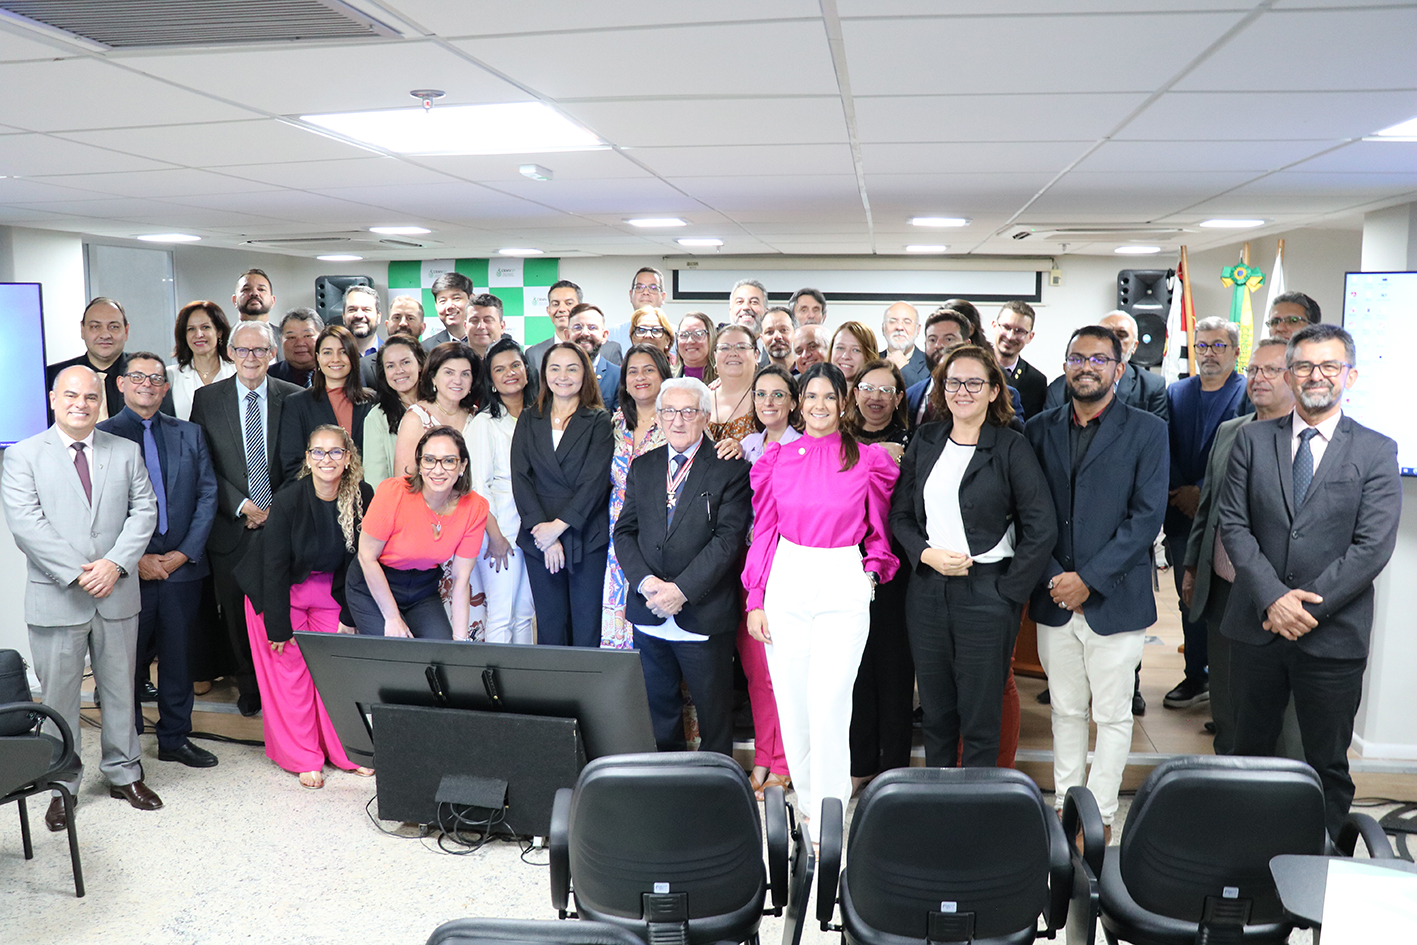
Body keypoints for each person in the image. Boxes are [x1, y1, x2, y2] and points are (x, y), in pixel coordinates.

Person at [1218, 323, 1401, 840]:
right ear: (1289, 374)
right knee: (1246, 753)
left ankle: (1317, 874)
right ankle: (1242, 855)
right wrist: (1274, 598)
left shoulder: (1375, 450)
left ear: (1350, 375)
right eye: (1303, 366)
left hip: (1333, 635)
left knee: (1326, 762)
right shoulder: (1251, 439)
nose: (1315, 376)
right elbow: (1233, 524)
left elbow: (1372, 548)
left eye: (1328, 366)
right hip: (1256, 625)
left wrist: (1304, 610)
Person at [744, 362, 900, 840]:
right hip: (788, 577)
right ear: (797, 402)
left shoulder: (869, 458)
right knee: (793, 703)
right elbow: (765, 531)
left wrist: (871, 573)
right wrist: (756, 597)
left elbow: (880, 528)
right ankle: (808, 805)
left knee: (830, 702)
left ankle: (830, 814)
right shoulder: (775, 460)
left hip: (841, 578)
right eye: (809, 396)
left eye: (828, 397)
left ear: (843, 401)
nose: (818, 405)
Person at [1024, 325, 1168, 842]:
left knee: (1110, 716)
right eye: (1077, 358)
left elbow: (1146, 518)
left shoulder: (1148, 431)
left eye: (1099, 359)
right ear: (1065, 366)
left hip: (1115, 599)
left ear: (1119, 369)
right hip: (1054, 595)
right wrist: (1055, 580)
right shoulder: (1038, 429)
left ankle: (1100, 815)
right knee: (1064, 710)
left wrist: (1089, 580)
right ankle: (1066, 809)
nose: (1087, 366)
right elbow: (1028, 515)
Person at [2, 366, 161, 830]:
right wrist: (79, 573)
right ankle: (61, 784)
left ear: (101, 402)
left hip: (117, 591)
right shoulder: (24, 455)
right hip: (57, 596)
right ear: (53, 399)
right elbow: (27, 526)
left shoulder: (125, 451)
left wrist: (114, 565)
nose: (81, 404)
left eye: (91, 397)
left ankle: (124, 773)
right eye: (71, 395)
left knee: (119, 690)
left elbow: (144, 510)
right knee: (59, 698)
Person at [891, 345, 1056, 768]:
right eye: (953, 382)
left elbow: (1041, 528)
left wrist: (1008, 594)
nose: (962, 391)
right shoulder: (926, 440)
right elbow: (901, 515)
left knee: (981, 718)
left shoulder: (1010, 446)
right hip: (927, 593)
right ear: (942, 389)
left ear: (993, 390)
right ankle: (939, 808)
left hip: (988, 595)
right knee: (936, 714)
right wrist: (925, 555)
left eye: (974, 383)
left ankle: (979, 816)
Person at [613, 377, 753, 754]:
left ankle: (716, 792)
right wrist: (646, 584)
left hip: (703, 613)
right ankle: (665, 787)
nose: (678, 420)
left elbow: (728, 541)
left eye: (688, 411)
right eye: (669, 411)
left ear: (705, 416)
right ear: (657, 416)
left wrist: (681, 591)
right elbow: (624, 532)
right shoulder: (643, 466)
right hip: (649, 611)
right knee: (658, 714)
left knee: (714, 718)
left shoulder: (730, 468)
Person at [234, 425, 375, 788]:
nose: (326, 459)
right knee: (291, 673)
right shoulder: (289, 498)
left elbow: (359, 561)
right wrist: (277, 627)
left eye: (334, 452)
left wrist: (348, 614)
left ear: (348, 458)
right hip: (278, 592)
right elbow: (274, 565)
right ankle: (303, 756)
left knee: (334, 672)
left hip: (330, 589)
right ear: (308, 459)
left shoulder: (363, 495)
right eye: (318, 452)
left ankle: (346, 751)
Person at [99, 353, 220, 769]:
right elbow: (99, 511)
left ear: (165, 388)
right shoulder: (102, 435)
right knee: (124, 666)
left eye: (156, 378)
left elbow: (207, 496)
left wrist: (183, 553)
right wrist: (138, 559)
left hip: (182, 569)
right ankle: (124, 747)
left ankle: (174, 738)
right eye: (137, 377)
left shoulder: (190, 434)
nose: (147, 384)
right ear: (121, 384)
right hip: (127, 573)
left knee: (178, 659)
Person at [1182, 338, 1296, 755]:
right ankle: (1227, 794)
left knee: (1273, 713)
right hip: (1223, 588)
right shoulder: (1231, 431)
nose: (1258, 378)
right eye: (1253, 370)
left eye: (1271, 370)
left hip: (1275, 592)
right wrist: (1193, 567)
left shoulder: (1304, 442)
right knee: (1226, 703)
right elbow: (1208, 508)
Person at [190, 320, 302, 717]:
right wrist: (242, 505)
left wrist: (276, 508)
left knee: (282, 608)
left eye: (259, 351)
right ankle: (249, 684)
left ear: (273, 354)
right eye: (243, 350)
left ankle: (285, 687)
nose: (251, 358)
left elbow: (300, 465)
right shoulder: (207, 399)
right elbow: (202, 465)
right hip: (232, 526)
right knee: (236, 614)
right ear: (231, 353)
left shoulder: (295, 397)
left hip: (282, 523)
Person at [1162, 316, 1247, 711]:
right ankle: (1195, 674)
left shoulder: (1247, 392)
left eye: (1218, 346)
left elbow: (1244, 454)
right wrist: (1184, 491)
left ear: (1234, 351)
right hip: (1182, 512)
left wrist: (1202, 492)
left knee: (1225, 601)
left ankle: (1227, 687)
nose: (1209, 353)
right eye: (1201, 346)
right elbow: (1165, 446)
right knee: (1188, 596)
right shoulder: (1176, 392)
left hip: (1228, 518)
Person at [511, 343, 615, 647]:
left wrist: (558, 527)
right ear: (544, 374)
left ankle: (587, 696)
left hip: (585, 536)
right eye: (555, 368)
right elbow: (521, 478)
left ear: (586, 374)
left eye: (573, 368)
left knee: (586, 627)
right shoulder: (530, 418)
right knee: (550, 626)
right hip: (538, 537)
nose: (563, 376)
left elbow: (594, 484)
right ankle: (551, 694)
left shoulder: (598, 420)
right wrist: (544, 535)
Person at [347, 426, 488, 640]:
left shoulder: (475, 507)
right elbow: (367, 557)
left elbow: (461, 579)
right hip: (373, 582)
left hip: (423, 589)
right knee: (395, 652)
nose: (438, 470)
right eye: (429, 460)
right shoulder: (392, 492)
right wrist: (393, 618)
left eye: (449, 461)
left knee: (440, 655)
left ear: (462, 466)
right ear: (419, 465)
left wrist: (460, 643)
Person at [844, 359, 914, 789]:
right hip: (847, 566)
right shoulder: (840, 441)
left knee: (895, 671)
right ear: (854, 393)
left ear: (899, 398)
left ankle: (895, 771)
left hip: (898, 571)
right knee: (855, 671)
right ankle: (860, 765)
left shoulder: (915, 443)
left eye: (886, 390)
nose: (875, 397)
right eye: (868, 388)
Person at [738, 364, 801, 798]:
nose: (769, 403)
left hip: (790, 568)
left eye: (779, 395)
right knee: (756, 672)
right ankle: (763, 755)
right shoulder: (745, 446)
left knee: (783, 671)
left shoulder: (806, 447)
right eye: (761, 395)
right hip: (749, 566)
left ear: (794, 402)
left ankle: (784, 763)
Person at [601, 344, 671, 649]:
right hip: (617, 531)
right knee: (617, 611)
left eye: (648, 369)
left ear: (663, 375)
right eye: (632, 371)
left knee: (654, 615)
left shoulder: (679, 420)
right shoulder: (614, 423)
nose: (640, 377)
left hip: (661, 530)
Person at [468, 338, 536, 644]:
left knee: (524, 613)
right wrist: (494, 536)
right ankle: (494, 691)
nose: (510, 373)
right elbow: (478, 486)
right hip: (500, 532)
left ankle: (522, 689)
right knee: (501, 613)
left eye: (515, 365)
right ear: (491, 381)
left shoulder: (540, 416)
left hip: (535, 532)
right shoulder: (484, 423)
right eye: (499, 369)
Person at [278, 325, 376, 480]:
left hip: (366, 495)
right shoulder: (296, 404)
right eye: (327, 352)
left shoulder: (372, 401)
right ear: (317, 357)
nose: (335, 359)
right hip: (316, 498)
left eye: (343, 352)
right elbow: (292, 465)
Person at [1043, 310, 1169, 422]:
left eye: (1122, 335)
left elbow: (1156, 435)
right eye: (1106, 334)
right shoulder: (1059, 388)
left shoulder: (1152, 386)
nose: (1113, 341)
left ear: (1134, 346)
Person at [393, 342, 479, 479]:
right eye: (449, 372)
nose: (457, 380)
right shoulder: (416, 417)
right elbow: (404, 479)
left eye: (465, 374)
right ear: (433, 378)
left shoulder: (477, 416)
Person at [46, 297, 129, 423]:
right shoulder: (52, 376)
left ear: (126, 331)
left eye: (114, 327)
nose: (105, 335)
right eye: (95, 327)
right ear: (82, 330)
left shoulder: (145, 376)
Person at [362, 334, 425, 485]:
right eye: (390, 366)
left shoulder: (441, 405)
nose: (399, 371)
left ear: (420, 364)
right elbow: (376, 480)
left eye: (405, 362)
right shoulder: (377, 417)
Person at [165, 300, 235, 420]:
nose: (198, 334)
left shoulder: (238, 372)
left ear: (219, 332)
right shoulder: (171, 376)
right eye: (191, 329)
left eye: (205, 327)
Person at [905, 309, 971, 426]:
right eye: (932, 339)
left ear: (967, 345)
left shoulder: (990, 394)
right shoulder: (910, 395)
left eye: (949, 339)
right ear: (925, 344)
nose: (939, 345)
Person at [992, 300, 1048, 421]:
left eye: (1020, 331)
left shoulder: (1036, 381)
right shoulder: (973, 367)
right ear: (994, 326)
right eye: (1006, 327)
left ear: (1030, 337)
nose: (1010, 336)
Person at [708, 324, 759, 442]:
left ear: (756, 355)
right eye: (725, 348)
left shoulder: (765, 399)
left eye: (741, 347)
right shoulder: (699, 399)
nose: (733, 353)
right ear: (715, 356)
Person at [568, 303, 621, 411]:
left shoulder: (618, 376)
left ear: (604, 336)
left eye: (592, 328)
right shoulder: (555, 374)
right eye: (577, 327)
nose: (585, 333)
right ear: (567, 335)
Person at [606, 267, 664, 359]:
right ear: (630, 295)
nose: (645, 292)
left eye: (653, 288)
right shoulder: (612, 335)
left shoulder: (677, 335)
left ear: (663, 297)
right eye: (639, 287)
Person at [527, 279, 584, 370]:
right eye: (555, 304)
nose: (561, 309)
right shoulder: (533, 354)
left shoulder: (603, 350)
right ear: (548, 310)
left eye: (569, 303)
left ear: (581, 309)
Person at [880, 302, 930, 388]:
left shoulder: (932, 364)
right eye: (892, 321)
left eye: (907, 322)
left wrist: (904, 368)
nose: (899, 327)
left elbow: (927, 397)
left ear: (918, 330)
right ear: (883, 328)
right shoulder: (870, 361)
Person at [268, 308, 321, 388]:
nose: (300, 343)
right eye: (291, 337)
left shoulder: (338, 373)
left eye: (307, 336)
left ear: (322, 337)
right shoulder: (268, 377)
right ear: (280, 340)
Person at [426, 272, 473, 349]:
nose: (449, 306)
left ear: (471, 299)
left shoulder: (490, 342)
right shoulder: (427, 348)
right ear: (436, 306)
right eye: (443, 301)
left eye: (456, 298)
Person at [341, 285, 382, 361]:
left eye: (366, 309)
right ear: (343, 317)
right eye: (352, 310)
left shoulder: (392, 354)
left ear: (378, 317)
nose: (359, 315)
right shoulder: (335, 358)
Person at [676, 312, 717, 384]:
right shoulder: (667, 376)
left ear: (710, 338)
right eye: (684, 335)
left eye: (698, 334)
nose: (690, 341)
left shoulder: (724, 377)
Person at [466, 293, 510, 361]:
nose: (481, 326)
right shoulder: (453, 363)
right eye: (474, 320)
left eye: (488, 320)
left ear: (502, 327)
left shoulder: (514, 364)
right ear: (465, 327)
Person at [760, 306, 796, 371]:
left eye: (783, 330)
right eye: (769, 332)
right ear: (762, 339)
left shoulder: (809, 372)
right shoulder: (753, 376)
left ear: (795, 334)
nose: (777, 336)